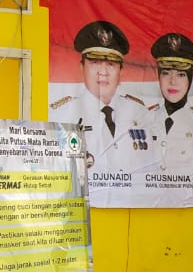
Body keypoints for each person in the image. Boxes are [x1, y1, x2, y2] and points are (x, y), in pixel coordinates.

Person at [47, 20, 150, 177]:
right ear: (81, 68)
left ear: (121, 71)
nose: (103, 72)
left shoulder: (140, 113)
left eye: (111, 64)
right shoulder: (61, 115)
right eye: (95, 63)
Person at [140, 32, 193, 179]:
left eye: (181, 75)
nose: (172, 81)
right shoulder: (145, 118)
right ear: (158, 76)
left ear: (190, 78)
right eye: (166, 73)